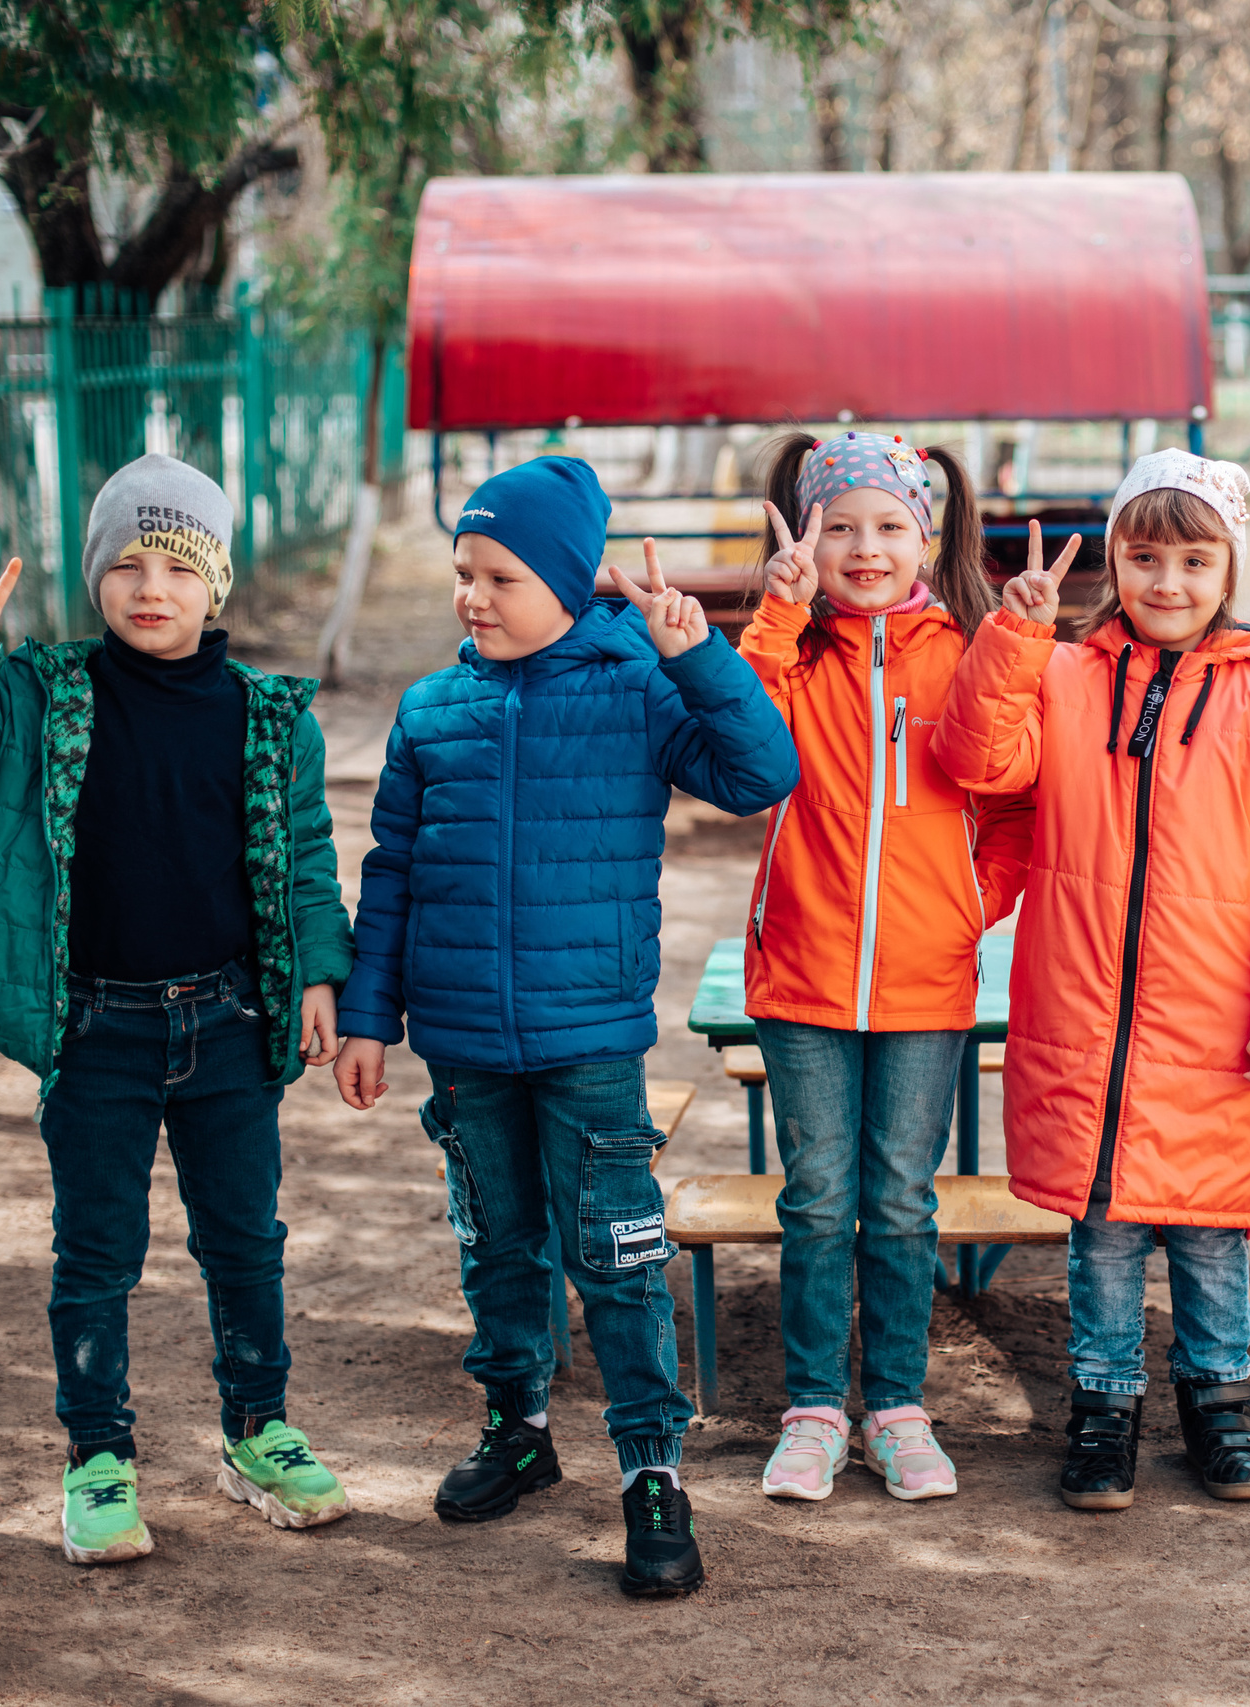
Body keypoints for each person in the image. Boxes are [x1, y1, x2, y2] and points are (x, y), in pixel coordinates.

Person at [0, 453, 356, 1566]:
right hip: (96, 1028)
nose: (151, 586)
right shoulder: (40, 693)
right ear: (95, 576)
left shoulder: (266, 717)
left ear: (215, 584)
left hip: (230, 1024)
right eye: (127, 562)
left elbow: (309, 862)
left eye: (178, 565)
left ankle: (259, 1432)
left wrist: (323, 973)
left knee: (246, 1241)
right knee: (96, 1251)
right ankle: (98, 1455)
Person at [331, 455, 798, 1597]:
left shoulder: (639, 683)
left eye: (500, 575)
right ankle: (517, 1429)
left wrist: (699, 656)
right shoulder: (431, 709)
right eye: (462, 573)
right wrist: (366, 1018)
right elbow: (391, 870)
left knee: (620, 1258)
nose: (473, 597)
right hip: (461, 1044)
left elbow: (760, 773)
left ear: (566, 580)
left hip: (589, 1042)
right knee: (495, 1248)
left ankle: (650, 1469)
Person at [932, 449, 1250, 1512]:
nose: (1168, 582)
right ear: (1113, 560)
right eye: (1144, 555)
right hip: (1085, 1017)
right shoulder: (1062, 674)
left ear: (1229, 568)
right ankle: (1102, 1411)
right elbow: (977, 757)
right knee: (1104, 1232)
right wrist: (1014, 633)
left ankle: (1220, 1408)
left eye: (1194, 559)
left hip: (1215, 1020)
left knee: (1210, 1233)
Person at [735, 432, 1032, 1503]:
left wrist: (972, 906)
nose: (865, 548)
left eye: (889, 526)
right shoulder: (791, 649)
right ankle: (814, 1409)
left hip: (925, 978)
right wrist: (774, 611)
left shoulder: (967, 650)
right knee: (817, 1200)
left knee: (902, 1202)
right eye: (839, 527)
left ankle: (898, 1407)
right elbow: (734, 746)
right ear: (805, 535)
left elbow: (1012, 806)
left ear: (928, 535)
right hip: (802, 975)